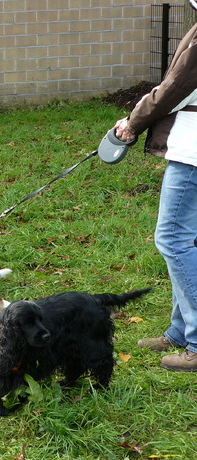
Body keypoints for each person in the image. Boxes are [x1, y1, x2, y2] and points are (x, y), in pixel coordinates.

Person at [113, 1, 197, 371]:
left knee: (172, 238)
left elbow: (174, 88)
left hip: (193, 150)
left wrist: (133, 122)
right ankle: (180, 332)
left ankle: (194, 340)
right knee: (186, 239)